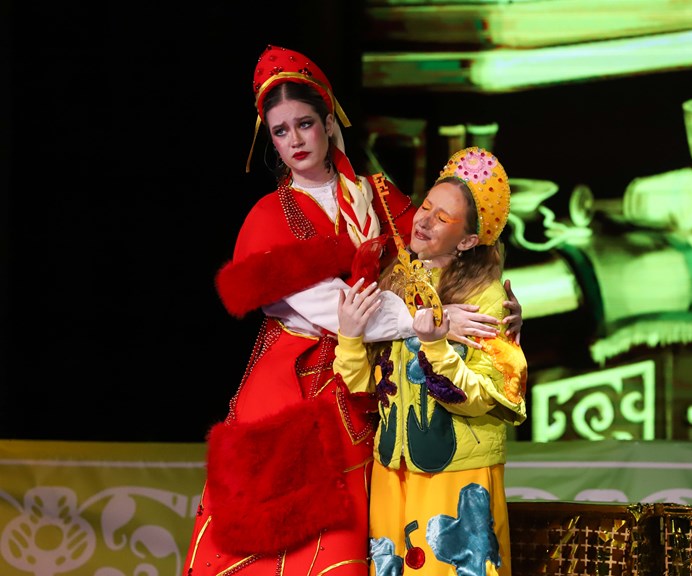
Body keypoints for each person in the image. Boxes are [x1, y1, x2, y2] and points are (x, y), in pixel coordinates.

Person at [183, 46, 522, 576]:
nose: (295, 141)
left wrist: (494, 304)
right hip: (298, 392)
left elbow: (442, 255)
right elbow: (339, 308)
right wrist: (428, 323)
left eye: (304, 124)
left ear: (328, 122)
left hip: (377, 399)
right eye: (280, 131)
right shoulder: (271, 218)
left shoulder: (378, 197)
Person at [334, 147, 527, 576]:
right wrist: (349, 335)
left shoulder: (487, 299)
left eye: (442, 217)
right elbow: (364, 387)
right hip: (392, 471)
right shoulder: (394, 282)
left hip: (457, 478)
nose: (423, 221)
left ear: (468, 241)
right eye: (425, 207)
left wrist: (436, 346)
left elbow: (488, 396)